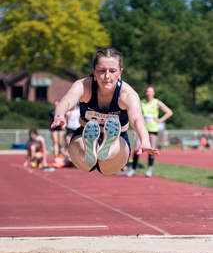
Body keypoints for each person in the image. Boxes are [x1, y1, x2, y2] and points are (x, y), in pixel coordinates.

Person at [51, 47, 159, 175]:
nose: (107, 76)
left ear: (120, 72)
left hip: (118, 137)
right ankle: (92, 148)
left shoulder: (127, 94)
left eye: (112, 71)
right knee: (85, 155)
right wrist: (59, 115)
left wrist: (145, 141)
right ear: (94, 71)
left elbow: (137, 119)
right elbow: (66, 101)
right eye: (102, 71)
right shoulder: (84, 86)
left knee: (99, 158)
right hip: (85, 132)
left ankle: (106, 146)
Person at [127, 85, 173, 177]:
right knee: (136, 148)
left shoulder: (157, 103)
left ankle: (149, 170)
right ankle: (133, 169)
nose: (149, 93)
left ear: (153, 93)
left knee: (151, 149)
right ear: (145, 92)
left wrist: (160, 120)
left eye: (151, 91)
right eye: (147, 91)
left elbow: (169, 112)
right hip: (141, 128)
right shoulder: (141, 102)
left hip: (153, 129)